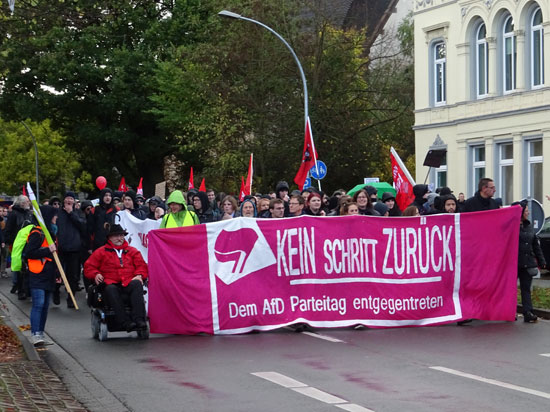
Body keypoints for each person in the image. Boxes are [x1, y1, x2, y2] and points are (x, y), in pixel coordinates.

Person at [84, 224, 148, 331]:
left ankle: (139, 320)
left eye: (121, 236)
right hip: (110, 283)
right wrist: (95, 274)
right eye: (116, 236)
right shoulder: (101, 252)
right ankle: (124, 322)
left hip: (128, 282)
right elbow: (89, 267)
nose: (119, 238)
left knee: (137, 284)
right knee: (110, 289)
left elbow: (142, 266)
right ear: (109, 238)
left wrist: (139, 275)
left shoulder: (133, 251)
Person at [25, 205, 58, 346]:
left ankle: (41, 333)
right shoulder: (37, 233)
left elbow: (56, 256)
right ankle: (35, 334)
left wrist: (58, 272)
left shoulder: (51, 233)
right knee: (38, 303)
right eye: (54, 216)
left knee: (45, 305)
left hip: (48, 273)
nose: (56, 218)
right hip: (37, 273)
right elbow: (29, 253)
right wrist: (46, 250)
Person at [513, 200, 546, 323]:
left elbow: (535, 245)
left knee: (526, 289)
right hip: (514, 264)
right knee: (511, 289)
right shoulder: (512, 225)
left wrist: (541, 260)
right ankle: (511, 312)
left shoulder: (529, 225)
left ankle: (528, 312)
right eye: (526, 210)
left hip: (528, 263)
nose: (528, 212)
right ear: (520, 212)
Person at [56, 191, 87, 308]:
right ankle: (56, 292)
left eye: (71, 199)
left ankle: (71, 297)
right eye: (67, 198)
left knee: (73, 276)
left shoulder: (78, 213)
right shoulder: (58, 213)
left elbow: (83, 226)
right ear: (64, 201)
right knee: (57, 273)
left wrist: (71, 214)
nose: (69, 201)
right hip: (60, 248)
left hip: (74, 249)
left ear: (74, 202)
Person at [5, 195, 33, 299]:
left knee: (28, 268)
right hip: (18, 245)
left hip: (28, 244)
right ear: (22, 203)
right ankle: (21, 290)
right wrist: (12, 243)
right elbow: (8, 230)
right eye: (27, 201)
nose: (29, 203)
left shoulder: (29, 214)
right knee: (20, 268)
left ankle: (26, 289)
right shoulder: (13, 214)